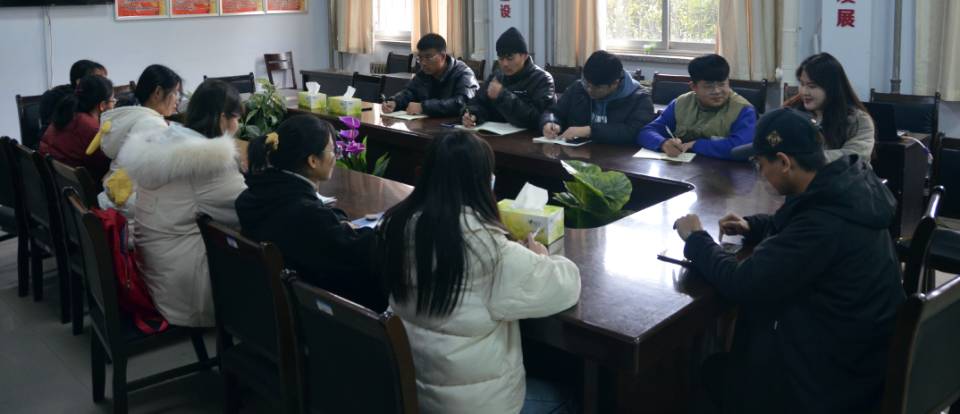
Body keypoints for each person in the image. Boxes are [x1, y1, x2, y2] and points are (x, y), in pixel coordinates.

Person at [673, 108, 905, 413]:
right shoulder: (843, 188)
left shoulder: (822, 223)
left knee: (708, 373)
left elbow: (743, 283)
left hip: (831, 382)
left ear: (783, 162)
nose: (760, 173)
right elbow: (796, 225)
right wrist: (753, 225)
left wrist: (696, 239)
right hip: (858, 353)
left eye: (760, 164)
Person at [378, 131, 581, 413]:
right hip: (474, 406)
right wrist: (542, 257)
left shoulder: (398, 225)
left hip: (415, 395)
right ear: (482, 182)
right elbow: (567, 285)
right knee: (570, 397)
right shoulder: (488, 248)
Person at [116, 79, 246, 327]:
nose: (238, 126)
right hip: (189, 290)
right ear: (222, 118)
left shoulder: (164, 142)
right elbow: (245, 210)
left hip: (156, 269)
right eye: (237, 118)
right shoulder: (208, 161)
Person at [235, 115, 387, 312]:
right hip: (318, 314)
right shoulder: (308, 215)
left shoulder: (252, 196)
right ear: (313, 161)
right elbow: (361, 254)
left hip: (265, 303)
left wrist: (338, 223)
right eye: (333, 151)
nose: (336, 156)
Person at [94, 64, 182, 213]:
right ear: (158, 92)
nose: (178, 100)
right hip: (131, 209)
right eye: (175, 93)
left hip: (112, 200)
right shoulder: (153, 125)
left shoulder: (130, 118)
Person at [636, 54, 756, 159]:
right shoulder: (681, 103)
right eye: (708, 86)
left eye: (722, 84)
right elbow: (647, 131)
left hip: (727, 173)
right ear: (693, 87)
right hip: (683, 169)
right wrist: (663, 143)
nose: (717, 91)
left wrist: (696, 145)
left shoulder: (743, 109)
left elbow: (741, 148)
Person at [540, 50, 655, 145]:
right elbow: (554, 111)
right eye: (587, 83)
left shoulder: (639, 98)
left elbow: (634, 132)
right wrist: (550, 122)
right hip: (576, 155)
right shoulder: (579, 88)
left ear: (615, 83)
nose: (589, 90)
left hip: (615, 159)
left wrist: (590, 131)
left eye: (597, 87)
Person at [785, 53, 874, 162]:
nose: (804, 92)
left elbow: (854, 156)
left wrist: (804, 159)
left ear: (832, 88)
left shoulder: (858, 120)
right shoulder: (791, 112)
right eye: (802, 84)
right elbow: (772, 140)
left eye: (812, 86)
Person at [462, 27, 555, 130]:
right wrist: (473, 115)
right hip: (495, 135)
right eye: (501, 58)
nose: (505, 64)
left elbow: (538, 118)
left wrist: (502, 96)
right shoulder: (497, 77)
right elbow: (477, 103)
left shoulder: (542, 79)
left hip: (526, 137)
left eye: (510, 58)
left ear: (524, 56)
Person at [39, 74, 114, 183]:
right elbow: (108, 165)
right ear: (102, 105)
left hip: (53, 181)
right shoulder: (91, 128)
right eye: (113, 101)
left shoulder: (66, 112)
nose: (114, 106)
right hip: (77, 188)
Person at [382, 33, 479, 117]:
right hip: (428, 125)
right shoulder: (424, 73)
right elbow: (409, 92)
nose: (423, 63)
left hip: (455, 127)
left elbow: (461, 103)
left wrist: (423, 107)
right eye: (420, 58)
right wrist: (395, 102)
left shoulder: (464, 73)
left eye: (428, 57)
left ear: (442, 56)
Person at [39, 59, 107, 135]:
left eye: (105, 80)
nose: (105, 84)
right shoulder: (67, 100)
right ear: (79, 82)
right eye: (99, 80)